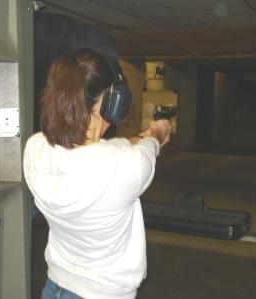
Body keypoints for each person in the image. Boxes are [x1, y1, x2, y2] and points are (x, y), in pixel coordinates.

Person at [23, 48, 171, 299]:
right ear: (108, 101)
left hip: (54, 287)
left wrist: (141, 138)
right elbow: (147, 148)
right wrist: (157, 131)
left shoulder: (35, 148)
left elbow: (107, 150)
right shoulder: (126, 166)